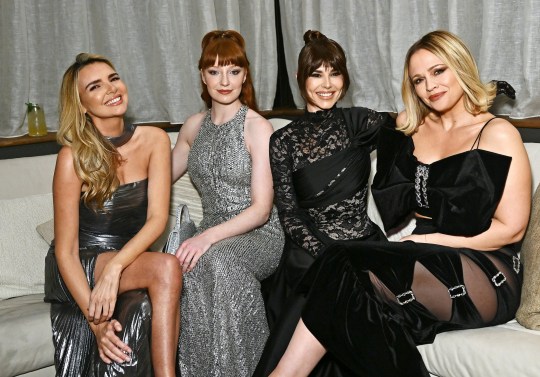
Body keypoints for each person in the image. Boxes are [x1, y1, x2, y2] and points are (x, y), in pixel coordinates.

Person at [268, 30, 531, 377]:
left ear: (460, 67)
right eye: (418, 79)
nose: (429, 86)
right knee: (341, 274)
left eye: (439, 72)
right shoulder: (414, 130)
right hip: (427, 256)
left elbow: (511, 229)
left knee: (342, 267)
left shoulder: (497, 133)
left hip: (487, 267)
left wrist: (428, 240)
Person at [254, 30, 394, 377]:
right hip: (311, 249)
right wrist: (327, 251)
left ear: (345, 78)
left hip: (364, 241)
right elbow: (289, 212)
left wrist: (472, 99)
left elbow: (415, 124)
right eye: (317, 73)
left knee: (362, 285)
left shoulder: (360, 121)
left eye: (335, 73)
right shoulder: (283, 140)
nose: (327, 83)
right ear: (301, 79)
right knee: (320, 283)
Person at [44, 53, 182, 376]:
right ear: (81, 104)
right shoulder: (71, 157)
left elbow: (157, 220)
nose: (111, 89)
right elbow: (66, 251)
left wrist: (116, 268)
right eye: (95, 86)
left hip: (124, 258)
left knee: (147, 297)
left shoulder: (155, 140)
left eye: (113, 78)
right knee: (166, 267)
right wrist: (96, 325)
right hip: (81, 261)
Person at [170, 30, 285, 376]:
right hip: (212, 231)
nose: (224, 80)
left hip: (260, 234)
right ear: (202, 76)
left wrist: (206, 238)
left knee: (215, 259)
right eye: (215, 71)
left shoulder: (257, 128)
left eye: (233, 71)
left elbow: (261, 209)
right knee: (183, 263)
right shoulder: (192, 127)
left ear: (245, 75)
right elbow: (157, 180)